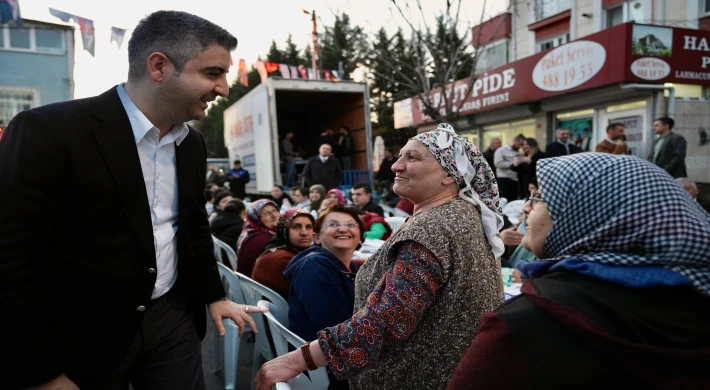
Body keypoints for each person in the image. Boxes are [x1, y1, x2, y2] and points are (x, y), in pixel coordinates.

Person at [0, 11, 265, 390]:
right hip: (81, 337)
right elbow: (11, 260)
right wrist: (40, 371)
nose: (224, 88)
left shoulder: (191, 143)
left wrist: (213, 296)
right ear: (158, 66)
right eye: (212, 73)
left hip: (172, 321)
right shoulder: (50, 131)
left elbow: (190, 226)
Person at [255, 123, 505, 390]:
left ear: (450, 175)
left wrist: (294, 361)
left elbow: (386, 321)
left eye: (413, 157)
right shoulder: (465, 216)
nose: (396, 166)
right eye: (400, 156)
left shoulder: (431, 228)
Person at [448, 153, 710, 389]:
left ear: (585, 213)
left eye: (538, 198)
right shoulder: (694, 300)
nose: (526, 208)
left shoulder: (529, 323)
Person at [283, 205, 365, 389]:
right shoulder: (315, 267)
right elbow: (338, 326)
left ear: (360, 238)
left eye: (351, 224)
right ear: (317, 238)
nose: (343, 228)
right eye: (333, 224)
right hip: (328, 367)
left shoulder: (347, 267)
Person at [252, 209, 314, 300]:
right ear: (284, 229)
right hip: (276, 313)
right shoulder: (284, 260)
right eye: (296, 227)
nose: (304, 233)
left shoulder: (281, 248)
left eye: (309, 227)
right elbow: (310, 296)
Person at [236, 199, 280, 277]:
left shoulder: (250, 230)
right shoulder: (263, 239)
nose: (274, 215)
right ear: (257, 218)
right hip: (254, 286)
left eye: (275, 210)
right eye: (266, 213)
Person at [494, 134, 527, 202]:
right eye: (520, 144)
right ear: (514, 141)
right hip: (505, 178)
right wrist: (513, 164)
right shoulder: (501, 150)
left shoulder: (519, 152)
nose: (520, 146)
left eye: (522, 145)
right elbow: (498, 163)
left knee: (514, 200)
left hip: (516, 179)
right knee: (506, 200)